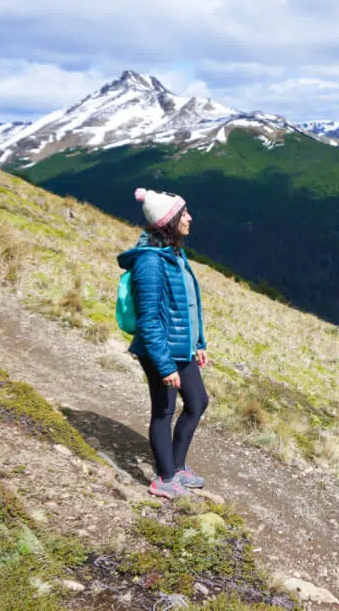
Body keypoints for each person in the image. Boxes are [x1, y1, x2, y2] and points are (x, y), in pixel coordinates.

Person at [117, 188, 209, 499]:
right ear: (169, 221)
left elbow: (188, 303)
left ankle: (178, 467)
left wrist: (199, 342)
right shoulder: (150, 263)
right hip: (160, 352)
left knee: (197, 403)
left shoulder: (174, 253)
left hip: (182, 347)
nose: (190, 218)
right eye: (185, 214)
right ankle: (164, 478)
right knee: (164, 410)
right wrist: (165, 364)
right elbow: (149, 321)